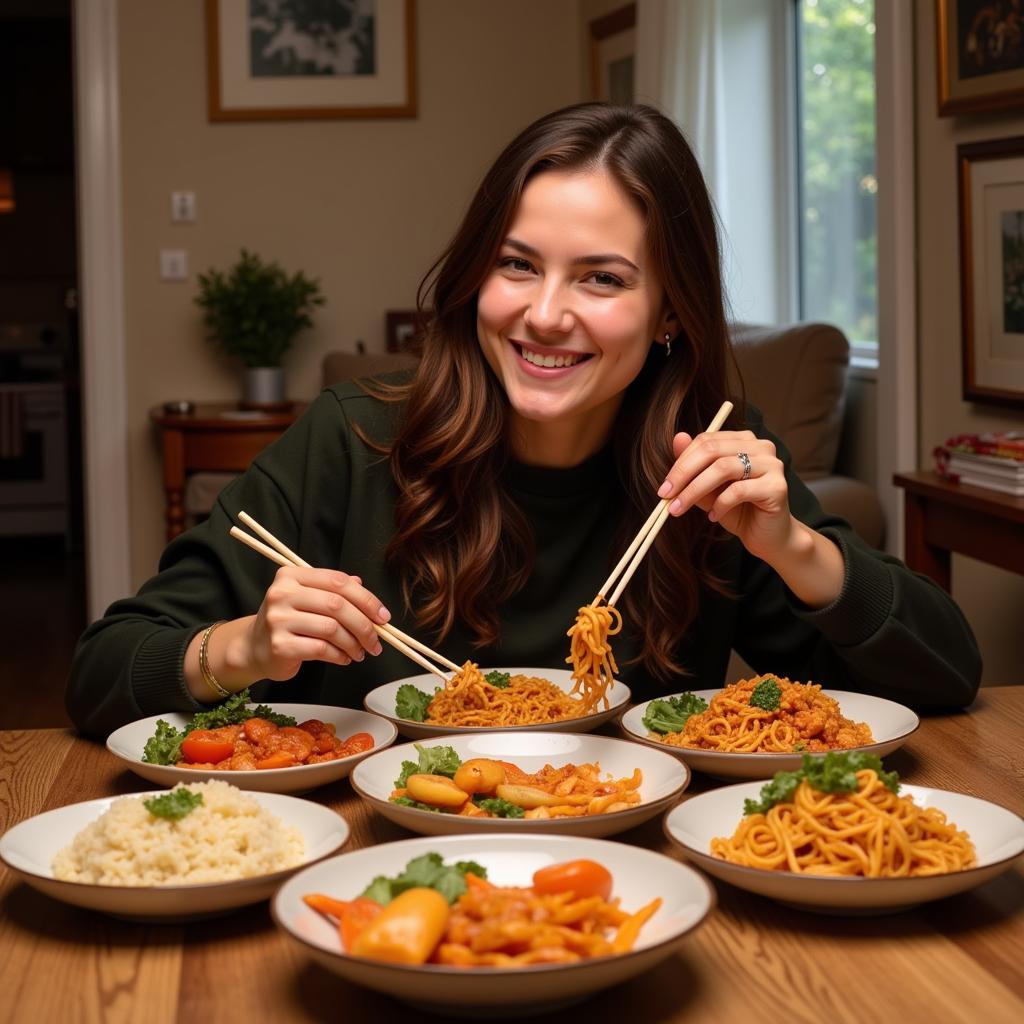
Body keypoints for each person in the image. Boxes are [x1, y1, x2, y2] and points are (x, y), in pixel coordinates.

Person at [67, 103, 981, 737]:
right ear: (475, 279)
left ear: (670, 312)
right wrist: (243, 648)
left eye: (602, 277)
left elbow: (946, 678)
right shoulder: (355, 438)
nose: (545, 314)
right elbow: (103, 671)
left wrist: (799, 551)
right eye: (516, 265)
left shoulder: (708, 466)